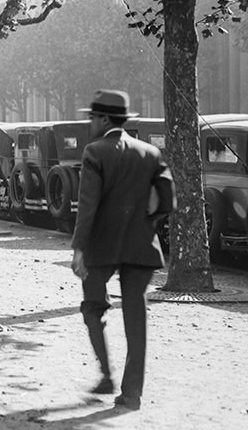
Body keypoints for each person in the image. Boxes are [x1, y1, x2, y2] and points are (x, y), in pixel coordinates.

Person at [71, 89, 175, 412]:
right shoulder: (150, 152)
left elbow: (87, 206)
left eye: (92, 117)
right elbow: (168, 201)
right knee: (136, 319)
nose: (89, 122)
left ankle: (105, 374)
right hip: (141, 247)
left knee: (92, 307)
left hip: (100, 246)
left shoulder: (95, 152)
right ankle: (132, 395)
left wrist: (78, 249)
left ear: (104, 120)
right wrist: (145, 224)